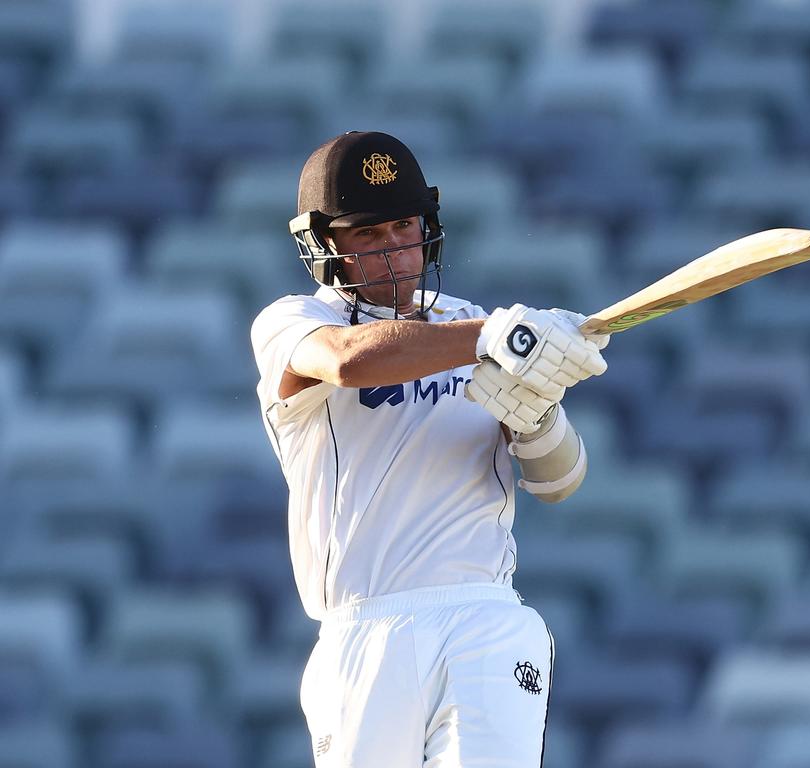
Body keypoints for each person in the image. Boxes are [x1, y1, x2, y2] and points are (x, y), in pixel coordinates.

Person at [250, 130, 609, 767]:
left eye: (405, 228)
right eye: (369, 235)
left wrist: (534, 415)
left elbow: (560, 483)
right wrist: (496, 337)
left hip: (488, 620)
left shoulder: (475, 327)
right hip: (367, 630)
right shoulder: (295, 322)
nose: (396, 253)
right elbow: (348, 360)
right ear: (324, 246)